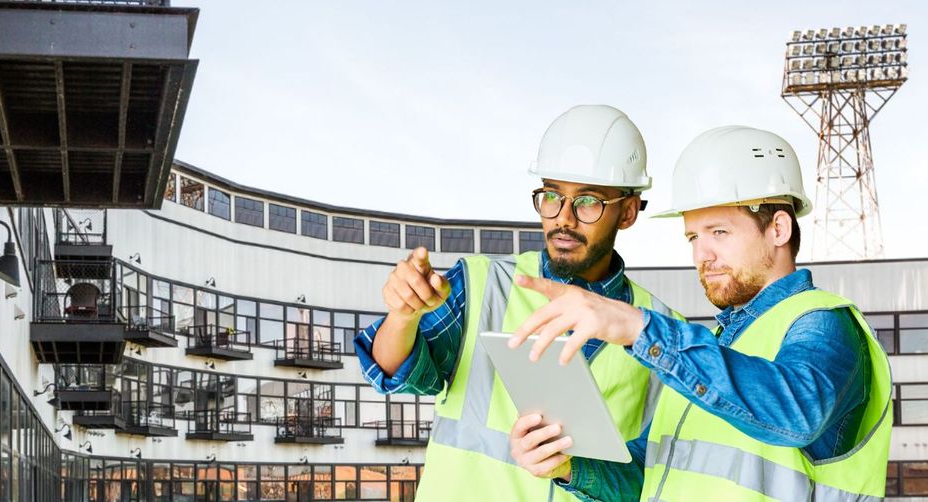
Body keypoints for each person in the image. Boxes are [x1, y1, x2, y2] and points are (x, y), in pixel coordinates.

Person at [507, 125, 892, 501]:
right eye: (693, 237)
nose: (701, 255)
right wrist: (569, 468)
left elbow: (797, 413)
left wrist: (636, 327)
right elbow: (647, 475)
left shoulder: (822, 322)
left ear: (778, 229)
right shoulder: (713, 352)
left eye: (719, 232)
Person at [353, 105, 682, 501]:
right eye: (551, 196)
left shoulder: (662, 330)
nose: (564, 219)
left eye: (589, 201)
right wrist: (403, 316)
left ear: (627, 212)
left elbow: (649, 480)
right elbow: (395, 374)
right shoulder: (482, 284)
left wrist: (574, 470)